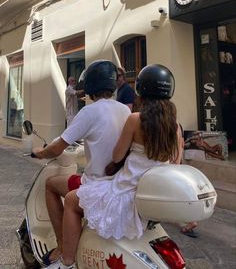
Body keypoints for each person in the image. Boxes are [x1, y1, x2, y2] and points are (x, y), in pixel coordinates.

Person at [44, 64, 179, 269]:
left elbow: (116, 156)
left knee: (72, 201)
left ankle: (67, 261)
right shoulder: (176, 127)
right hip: (150, 193)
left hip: (125, 191)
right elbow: (176, 163)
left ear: (140, 90)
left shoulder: (135, 119)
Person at [32, 60, 131, 266]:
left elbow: (58, 146)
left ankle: (63, 251)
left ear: (90, 85)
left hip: (95, 186)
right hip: (118, 184)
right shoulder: (125, 110)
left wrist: (40, 153)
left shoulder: (89, 111)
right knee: (60, 185)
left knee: (52, 186)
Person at [170, 102, 198, 238]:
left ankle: (191, 220)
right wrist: (178, 161)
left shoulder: (169, 127)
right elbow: (181, 144)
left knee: (177, 194)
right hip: (177, 162)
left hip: (171, 164)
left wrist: (174, 162)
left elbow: (173, 146)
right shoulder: (178, 125)